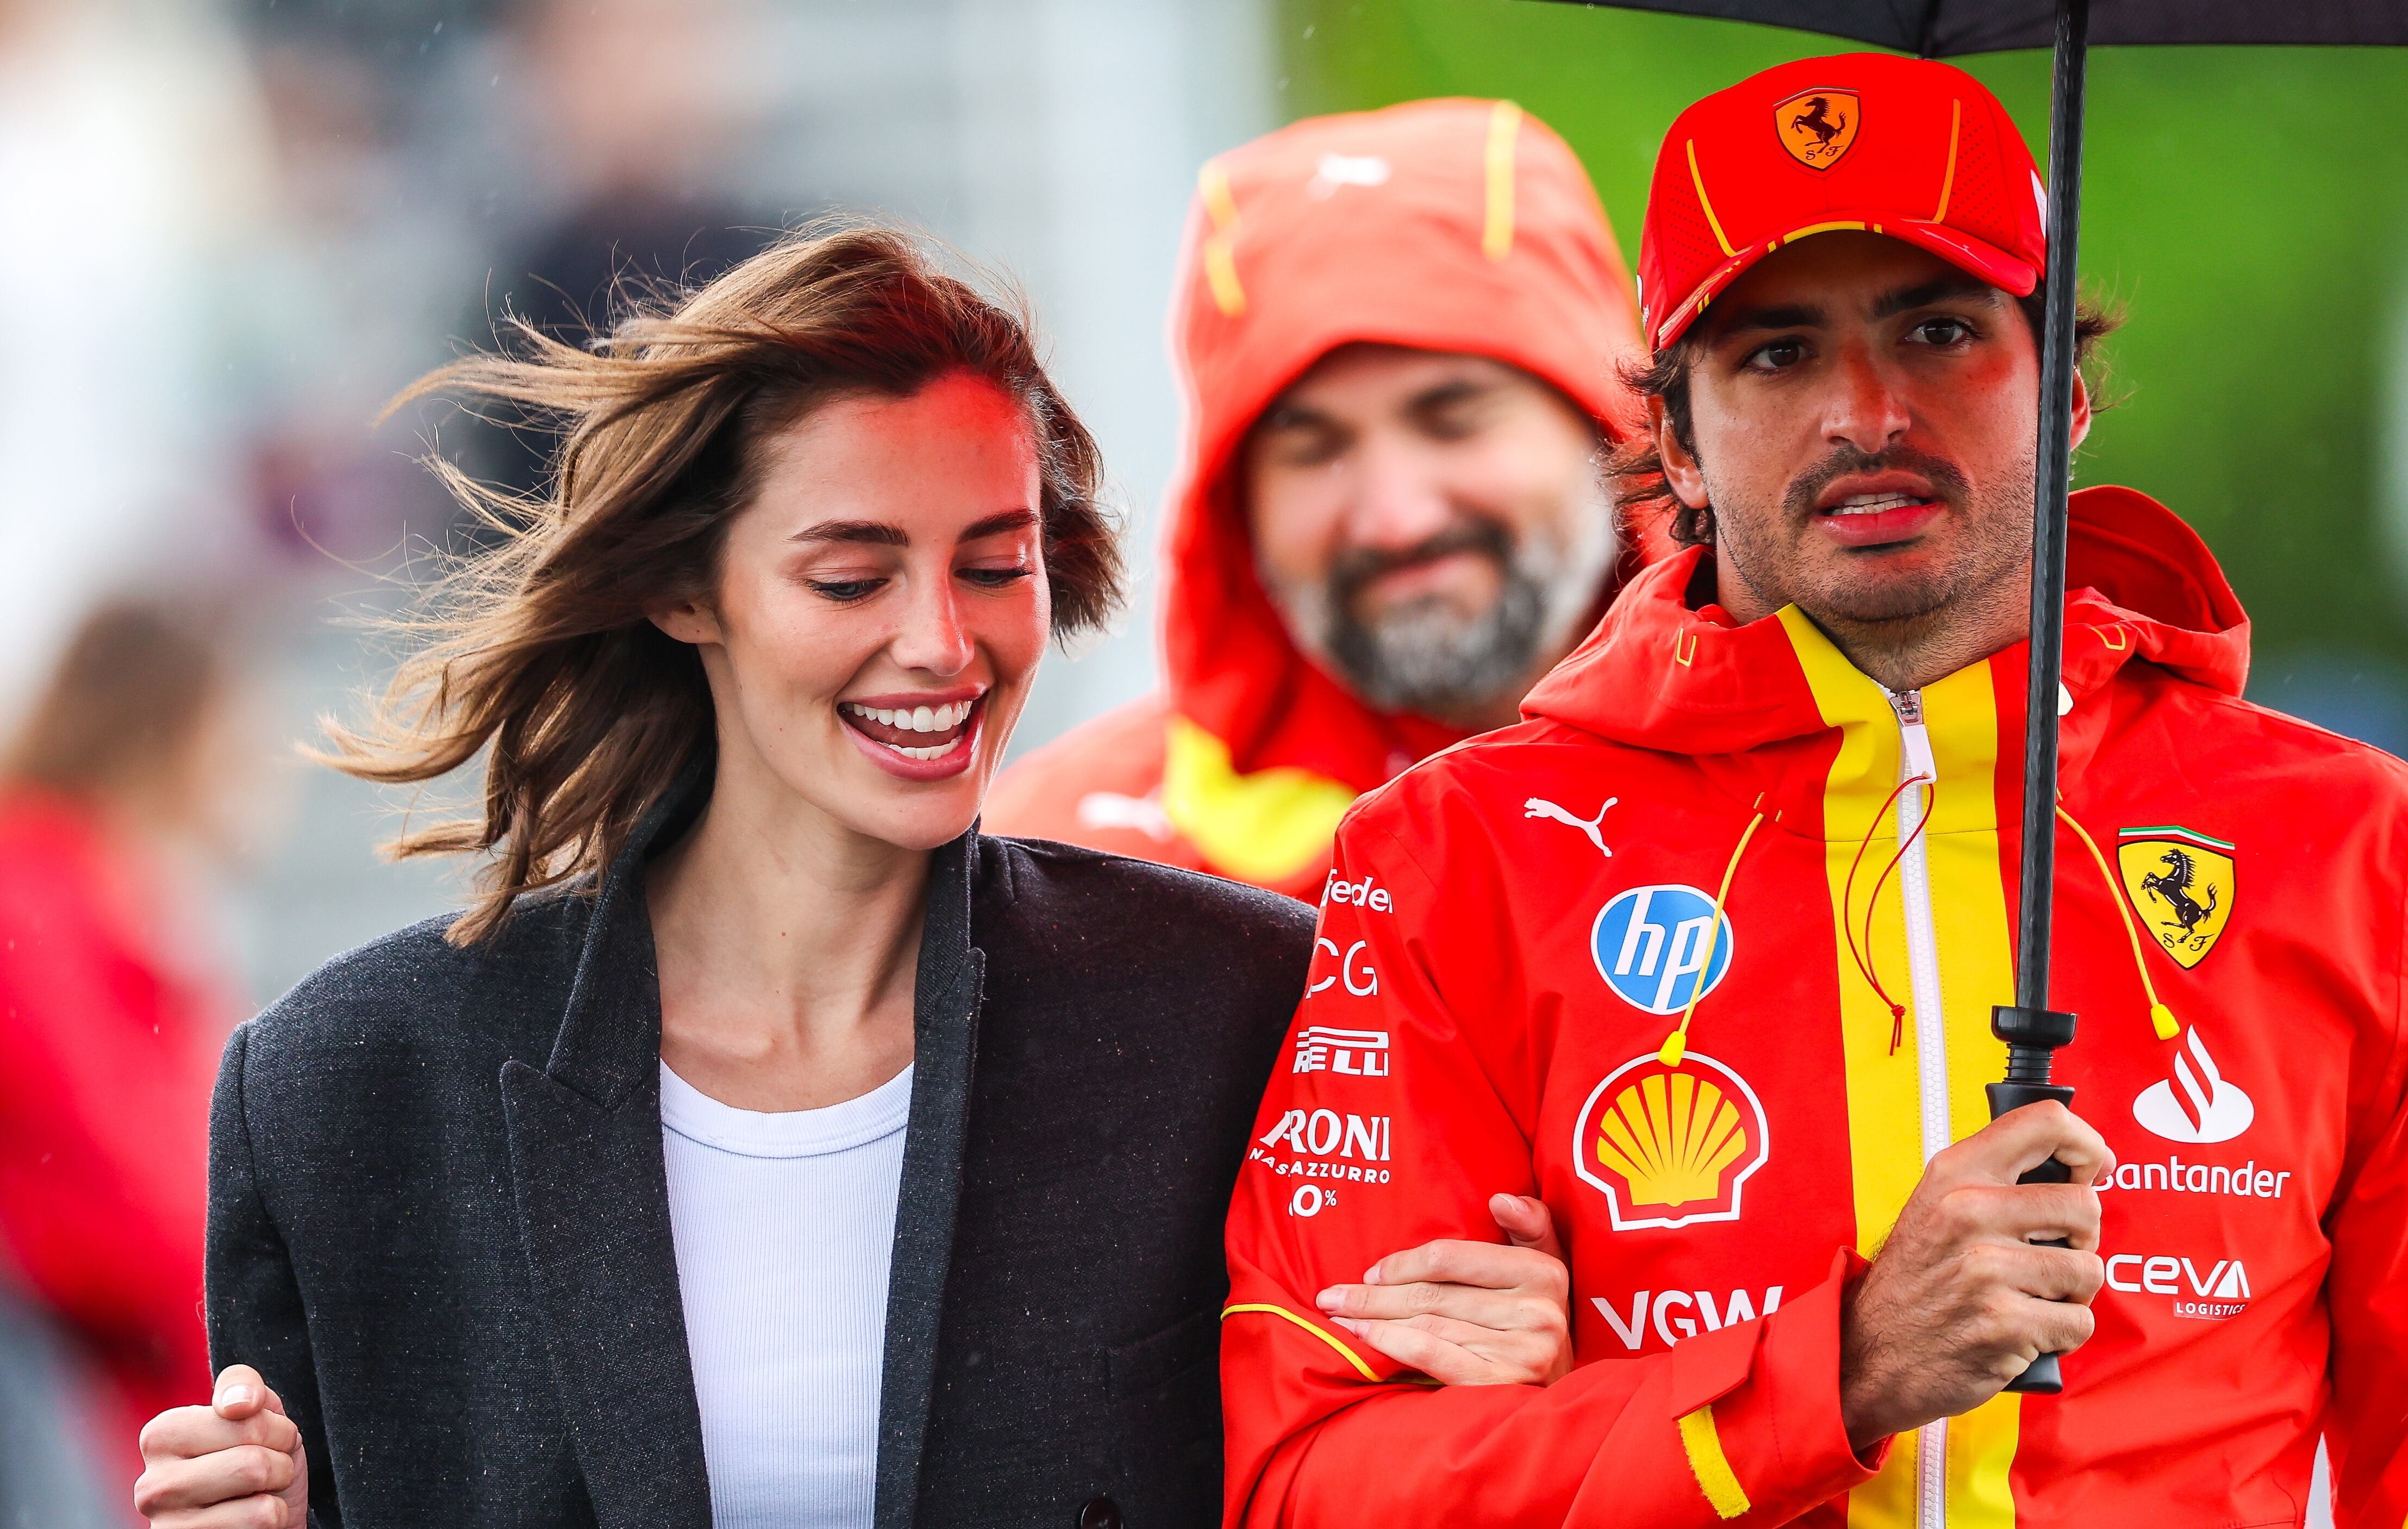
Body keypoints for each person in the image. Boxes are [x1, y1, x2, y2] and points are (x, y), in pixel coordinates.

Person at [1221, 54, 2408, 1527]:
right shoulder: (1451, 855)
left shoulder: (2359, 844)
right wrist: (1843, 1369)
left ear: (2062, 391)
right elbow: (1311, 1485)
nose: (1866, 412)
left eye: (1939, 328)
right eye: (1775, 355)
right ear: (1676, 446)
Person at [133, 222, 1574, 1528]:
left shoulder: (1247, 1007)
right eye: (851, 575)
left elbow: (1359, 1462)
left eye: (994, 563)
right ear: (684, 588)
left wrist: (1501, 1375)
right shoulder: (348, 1083)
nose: (944, 643)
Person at [984, 98, 1652, 900]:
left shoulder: (1825, 792)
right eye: (1315, 449)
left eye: (1453, 420)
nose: (1397, 519)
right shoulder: (1068, 878)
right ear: (1234, 508)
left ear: (1614, 431)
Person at [0, 600, 255, 1502]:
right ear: (174, 723)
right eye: (240, 724)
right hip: (82, 1411)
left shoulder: (120, 895)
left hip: (134, 1407)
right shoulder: (37, 892)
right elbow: (115, 1177)